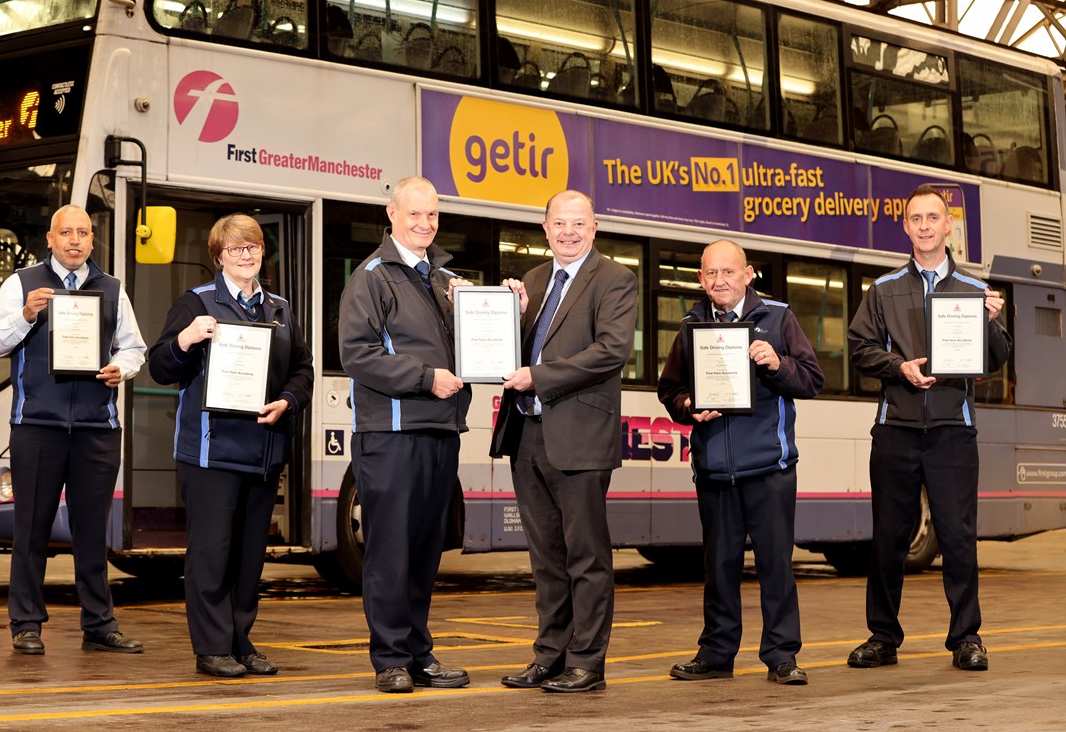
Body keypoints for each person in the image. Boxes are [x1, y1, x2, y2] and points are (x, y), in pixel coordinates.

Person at [846, 184, 1011, 672]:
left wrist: (993, 324)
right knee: (889, 537)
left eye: (932, 217)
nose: (923, 225)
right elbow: (859, 350)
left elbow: (997, 359)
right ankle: (882, 637)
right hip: (895, 428)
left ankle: (967, 637)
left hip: (951, 431)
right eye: (915, 217)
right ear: (906, 226)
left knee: (958, 537)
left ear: (947, 226)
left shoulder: (979, 293)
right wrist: (900, 368)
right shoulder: (881, 290)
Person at [148, 214, 313, 678]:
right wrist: (185, 338)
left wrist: (287, 400)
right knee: (211, 552)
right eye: (237, 249)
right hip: (210, 452)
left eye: (254, 247)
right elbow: (160, 367)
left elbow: (303, 368)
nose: (248, 255)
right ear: (219, 255)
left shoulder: (278, 308)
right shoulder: (196, 303)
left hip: (263, 451)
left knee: (248, 558)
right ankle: (212, 647)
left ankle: (242, 642)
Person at [0, 204, 146, 656]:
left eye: (83, 233)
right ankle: (27, 624)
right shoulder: (22, 284)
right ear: (50, 239)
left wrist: (120, 369)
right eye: (65, 232)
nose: (75, 240)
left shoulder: (112, 289)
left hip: (97, 428)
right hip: (36, 426)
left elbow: (135, 348)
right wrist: (26, 316)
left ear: (93, 241)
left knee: (92, 531)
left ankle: (99, 624)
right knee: (31, 528)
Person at [656, 239, 824, 686]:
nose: (719, 281)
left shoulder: (778, 317)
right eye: (710, 273)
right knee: (720, 567)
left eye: (728, 272)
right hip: (713, 469)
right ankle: (716, 653)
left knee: (775, 566)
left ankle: (782, 655)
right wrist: (688, 404)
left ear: (748, 274)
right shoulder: (692, 324)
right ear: (700, 278)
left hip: (770, 467)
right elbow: (669, 389)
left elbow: (811, 381)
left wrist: (778, 363)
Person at [490, 190, 637, 693]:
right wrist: (510, 315)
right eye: (560, 223)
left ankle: (587, 662)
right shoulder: (532, 281)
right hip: (527, 434)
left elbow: (610, 352)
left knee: (586, 557)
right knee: (546, 557)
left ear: (594, 228)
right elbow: (514, 354)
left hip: (580, 437)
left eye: (579, 223)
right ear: (546, 228)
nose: (569, 232)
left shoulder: (616, 279)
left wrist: (541, 377)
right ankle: (549, 655)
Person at [338, 176, 473, 693]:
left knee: (423, 549)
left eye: (433, 215)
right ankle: (390, 657)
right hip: (392, 432)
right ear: (391, 216)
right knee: (391, 549)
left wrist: (500, 309)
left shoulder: (444, 279)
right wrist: (425, 377)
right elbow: (358, 353)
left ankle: (419, 653)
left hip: (441, 428)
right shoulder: (372, 276)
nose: (425, 224)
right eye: (414, 215)